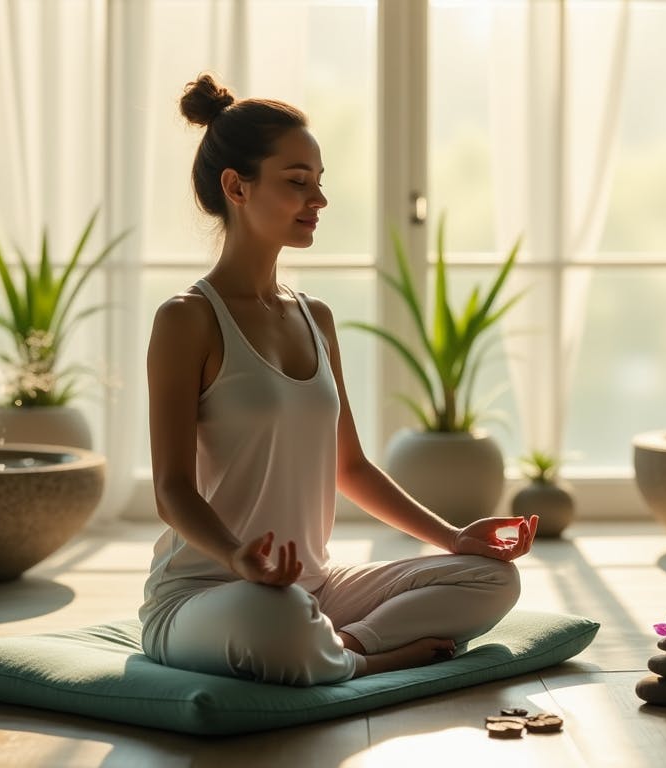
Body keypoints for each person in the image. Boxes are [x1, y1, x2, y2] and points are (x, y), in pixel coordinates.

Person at [139, 73, 538, 687]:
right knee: (276, 615)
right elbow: (171, 488)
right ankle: (370, 661)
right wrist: (238, 557)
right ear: (235, 186)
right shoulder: (186, 319)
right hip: (206, 596)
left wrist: (456, 538)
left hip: (312, 590)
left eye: (319, 184)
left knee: (493, 577)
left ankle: (346, 645)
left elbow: (348, 468)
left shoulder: (315, 317)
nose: (318, 200)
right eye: (297, 183)